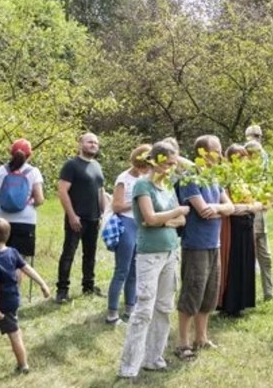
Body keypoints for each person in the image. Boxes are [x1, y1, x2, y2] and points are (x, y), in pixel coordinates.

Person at [118, 140, 190, 381]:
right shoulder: (142, 185)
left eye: (173, 163)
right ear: (157, 161)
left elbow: (178, 222)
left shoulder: (167, 186)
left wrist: (165, 219)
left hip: (171, 250)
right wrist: (175, 213)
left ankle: (153, 358)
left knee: (164, 307)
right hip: (150, 254)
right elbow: (148, 217)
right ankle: (129, 365)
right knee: (144, 310)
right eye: (169, 163)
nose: (171, 167)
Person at [175, 135, 241, 358]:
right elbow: (203, 211)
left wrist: (218, 209)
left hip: (214, 243)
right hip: (196, 244)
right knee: (192, 292)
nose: (222, 155)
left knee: (209, 294)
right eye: (217, 151)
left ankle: (201, 338)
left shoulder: (214, 177)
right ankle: (183, 343)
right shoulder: (190, 178)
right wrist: (219, 208)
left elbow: (230, 207)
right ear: (202, 153)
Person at [0, 218, 51, 375]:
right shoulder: (12, 252)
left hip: (2, 306)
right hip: (10, 301)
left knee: (14, 335)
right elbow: (27, 268)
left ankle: (23, 365)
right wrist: (43, 284)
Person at [55, 132, 108, 303]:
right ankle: (62, 291)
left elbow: (101, 191)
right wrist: (71, 215)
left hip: (94, 219)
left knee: (90, 254)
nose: (93, 145)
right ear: (80, 144)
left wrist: (103, 214)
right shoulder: (71, 165)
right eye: (89, 142)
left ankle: (88, 286)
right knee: (68, 253)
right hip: (76, 218)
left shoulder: (97, 166)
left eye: (95, 142)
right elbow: (62, 191)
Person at [105, 144, 152, 325]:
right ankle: (112, 313)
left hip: (141, 225)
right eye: (144, 165)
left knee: (135, 270)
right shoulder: (124, 178)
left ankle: (130, 308)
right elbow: (116, 205)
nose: (145, 169)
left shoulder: (147, 178)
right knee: (122, 270)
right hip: (127, 223)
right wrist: (138, 203)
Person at [218, 144, 263, 318]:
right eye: (238, 158)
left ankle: (242, 302)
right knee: (233, 263)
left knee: (246, 262)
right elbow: (231, 207)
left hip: (247, 224)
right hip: (233, 225)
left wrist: (253, 206)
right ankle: (229, 304)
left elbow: (259, 202)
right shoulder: (226, 179)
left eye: (243, 158)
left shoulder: (244, 180)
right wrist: (251, 207)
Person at [244, 125, 273, 302]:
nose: (257, 138)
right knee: (248, 258)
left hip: (261, 217)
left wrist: (270, 198)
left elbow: (269, 187)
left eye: (259, 136)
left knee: (266, 257)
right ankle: (248, 296)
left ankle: (268, 294)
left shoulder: (265, 160)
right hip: (247, 217)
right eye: (254, 135)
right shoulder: (240, 166)